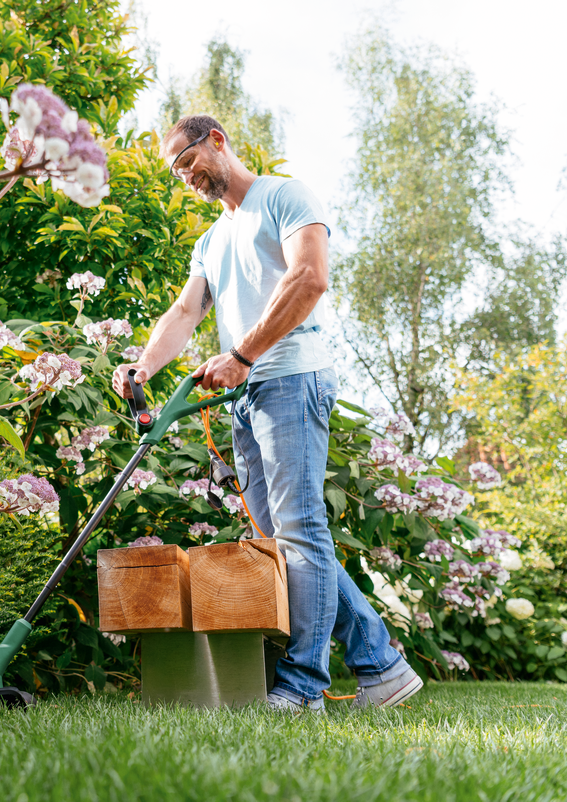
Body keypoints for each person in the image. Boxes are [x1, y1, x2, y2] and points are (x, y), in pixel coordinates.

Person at [113, 115, 422, 711]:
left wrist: (241, 354)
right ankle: (382, 666)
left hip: (290, 378)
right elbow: (184, 313)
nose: (186, 176)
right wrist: (142, 369)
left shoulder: (285, 195)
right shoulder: (212, 239)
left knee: (302, 533)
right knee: (285, 540)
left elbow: (310, 278)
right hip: (246, 394)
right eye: (176, 171)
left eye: (188, 161)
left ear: (217, 141)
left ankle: (305, 685)